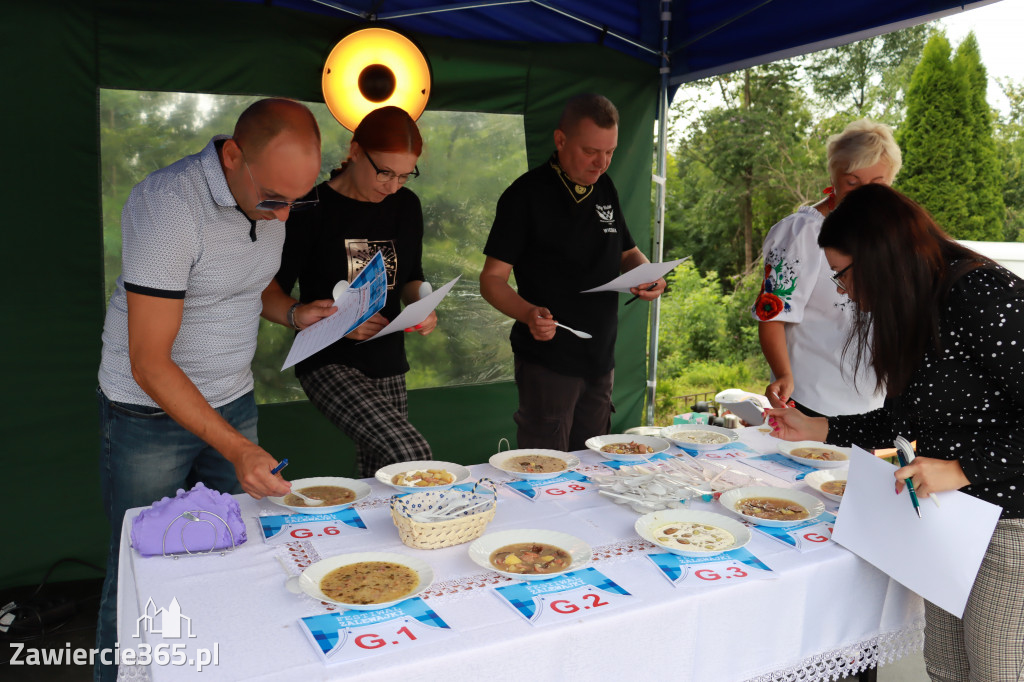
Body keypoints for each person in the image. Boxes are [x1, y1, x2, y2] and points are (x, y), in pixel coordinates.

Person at [95, 98, 321, 681]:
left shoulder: (270, 202)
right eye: (274, 198)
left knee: (243, 551)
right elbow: (148, 362)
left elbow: (250, 283)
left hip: (231, 395)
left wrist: (295, 313)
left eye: (299, 199)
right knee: (143, 568)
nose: (284, 215)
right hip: (147, 411)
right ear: (231, 156)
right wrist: (238, 449)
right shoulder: (168, 205)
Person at [768, 183, 1024, 681]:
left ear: (880, 258)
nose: (841, 289)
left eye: (841, 275)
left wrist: (961, 469)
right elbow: (910, 418)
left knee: (998, 672)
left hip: (1008, 523)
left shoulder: (981, 294)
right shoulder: (918, 303)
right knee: (947, 669)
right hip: (953, 516)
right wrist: (820, 426)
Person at [480, 93, 665, 452]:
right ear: (560, 140)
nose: (602, 163)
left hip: (601, 358)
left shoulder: (605, 188)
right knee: (544, 465)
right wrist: (528, 313)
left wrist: (651, 275)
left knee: (595, 463)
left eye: (610, 152)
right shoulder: (525, 195)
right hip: (549, 362)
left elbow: (628, 252)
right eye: (591, 151)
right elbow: (491, 279)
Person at [262, 106, 436, 477]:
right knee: (410, 452)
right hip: (327, 357)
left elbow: (411, 277)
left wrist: (423, 303)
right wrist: (305, 314)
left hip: (387, 357)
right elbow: (266, 291)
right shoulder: (309, 207)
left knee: (382, 473)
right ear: (355, 151)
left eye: (405, 176)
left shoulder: (407, 205)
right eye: (384, 172)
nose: (392, 186)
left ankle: (387, 536)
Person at [753, 119, 901, 417]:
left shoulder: (890, 234)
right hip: (810, 400)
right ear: (834, 176)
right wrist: (783, 374)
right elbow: (772, 314)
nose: (864, 195)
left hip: (870, 406)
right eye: (852, 182)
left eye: (877, 184)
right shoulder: (802, 233)